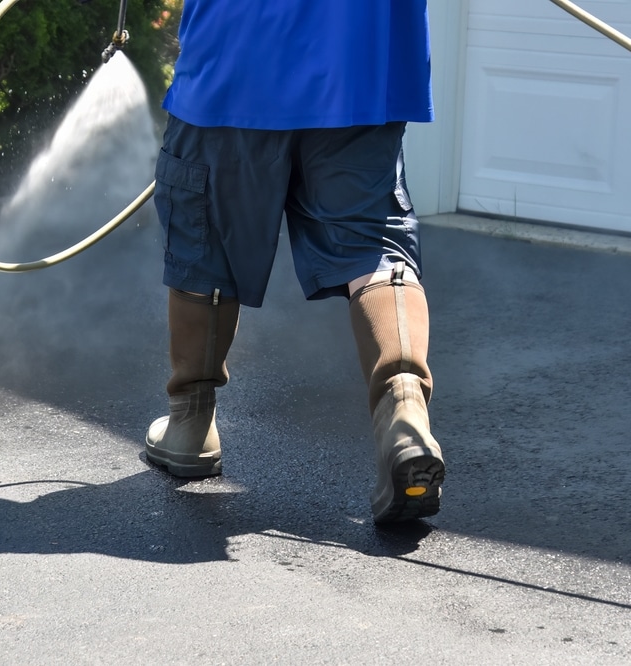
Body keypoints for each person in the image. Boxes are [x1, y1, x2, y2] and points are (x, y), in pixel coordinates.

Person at [144, 1, 445, 523]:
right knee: (372, 245)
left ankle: (191, 425)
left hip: (234, 61)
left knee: (206, 237)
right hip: (363, 65)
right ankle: (404, 414)